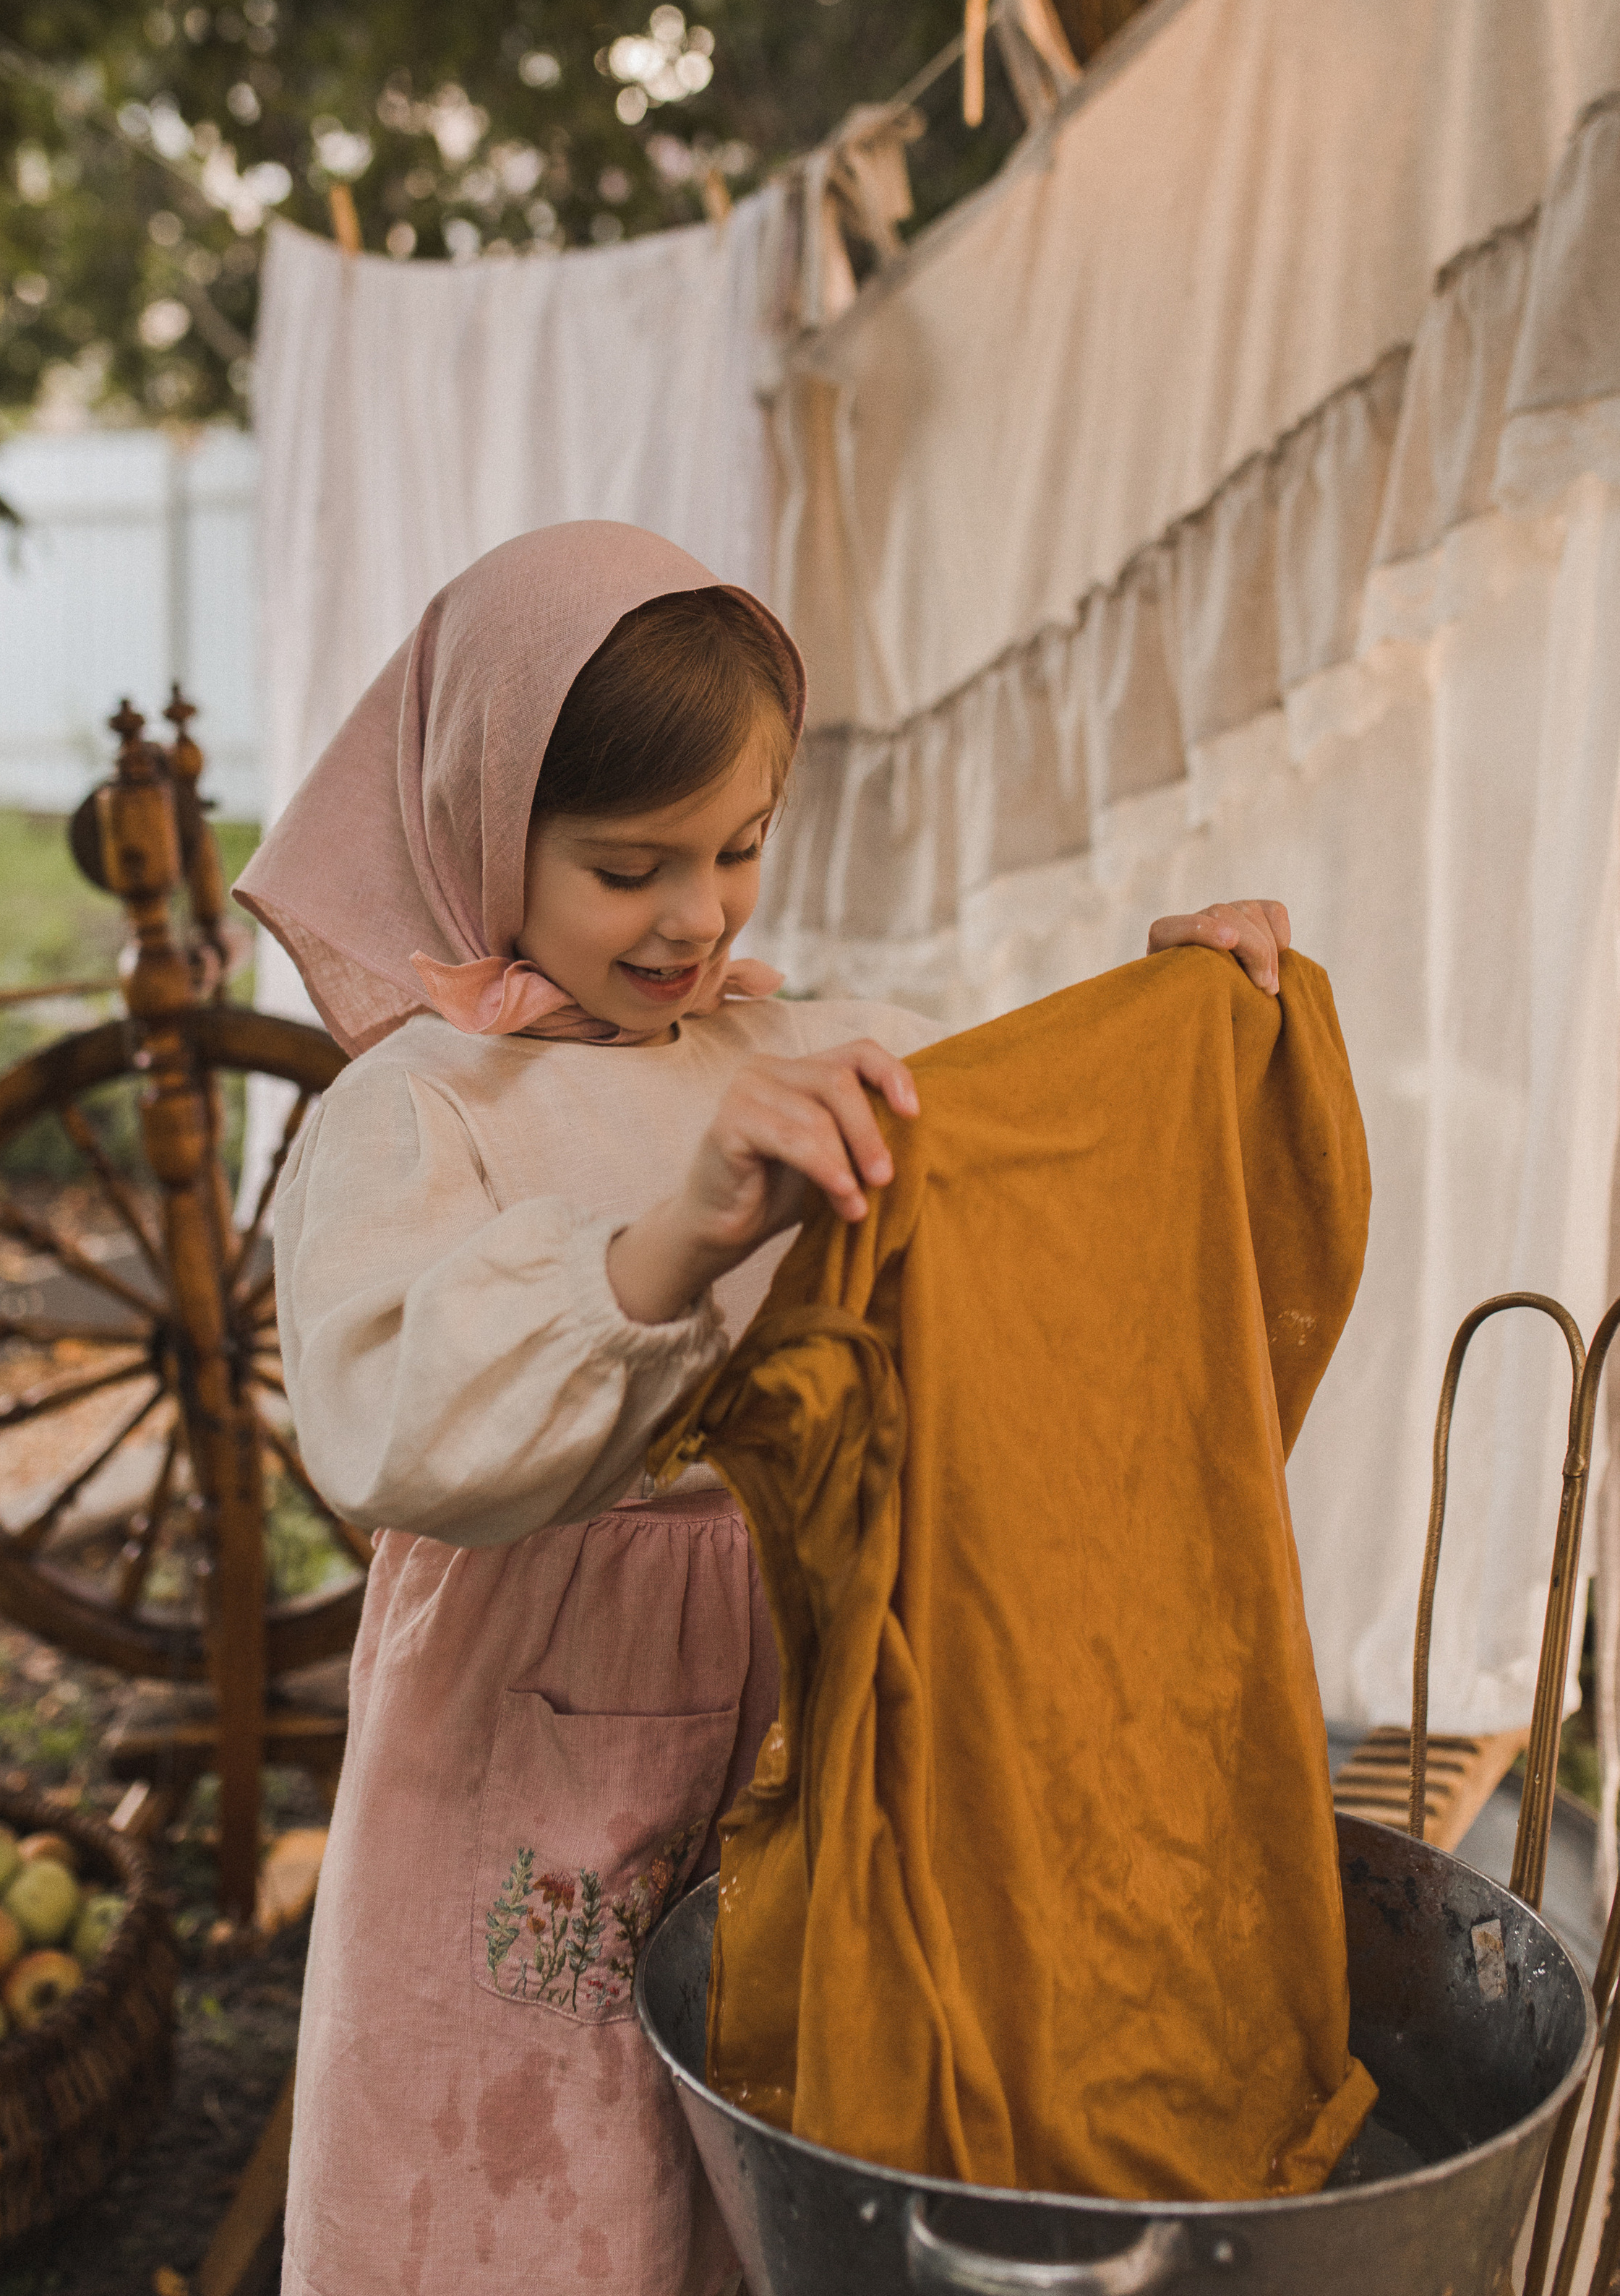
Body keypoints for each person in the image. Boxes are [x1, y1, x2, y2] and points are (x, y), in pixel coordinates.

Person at [235, 520, 1290, 2296]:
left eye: (737, 850)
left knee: (779, 2143)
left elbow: (1030, 1161)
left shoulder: (792, 1043)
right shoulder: (420, 1113)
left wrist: (1176, 1005)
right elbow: (391, 1427)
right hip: (537, 1718)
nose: (699, 916)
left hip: (806, 1677)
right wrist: (665, 1243)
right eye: (630, 867)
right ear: (489, 832)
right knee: (531, 2159)